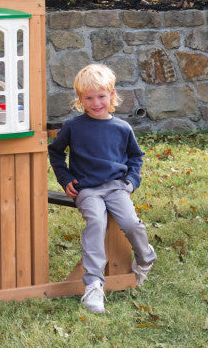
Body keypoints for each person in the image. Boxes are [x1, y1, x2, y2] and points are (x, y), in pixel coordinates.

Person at [48, 64, 156, 314]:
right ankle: (93, 286)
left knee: (131, 223)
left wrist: (131, 182)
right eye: (88, 98)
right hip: (87, 189)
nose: (96, 103)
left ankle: (145, 258)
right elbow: (55, 153)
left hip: (117, 187)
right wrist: (65, 179)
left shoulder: (122, 127)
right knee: (96, 222)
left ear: (112, 95)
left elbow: (135, 157)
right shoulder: (73, 127)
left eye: (101, 96)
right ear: (80, 99)